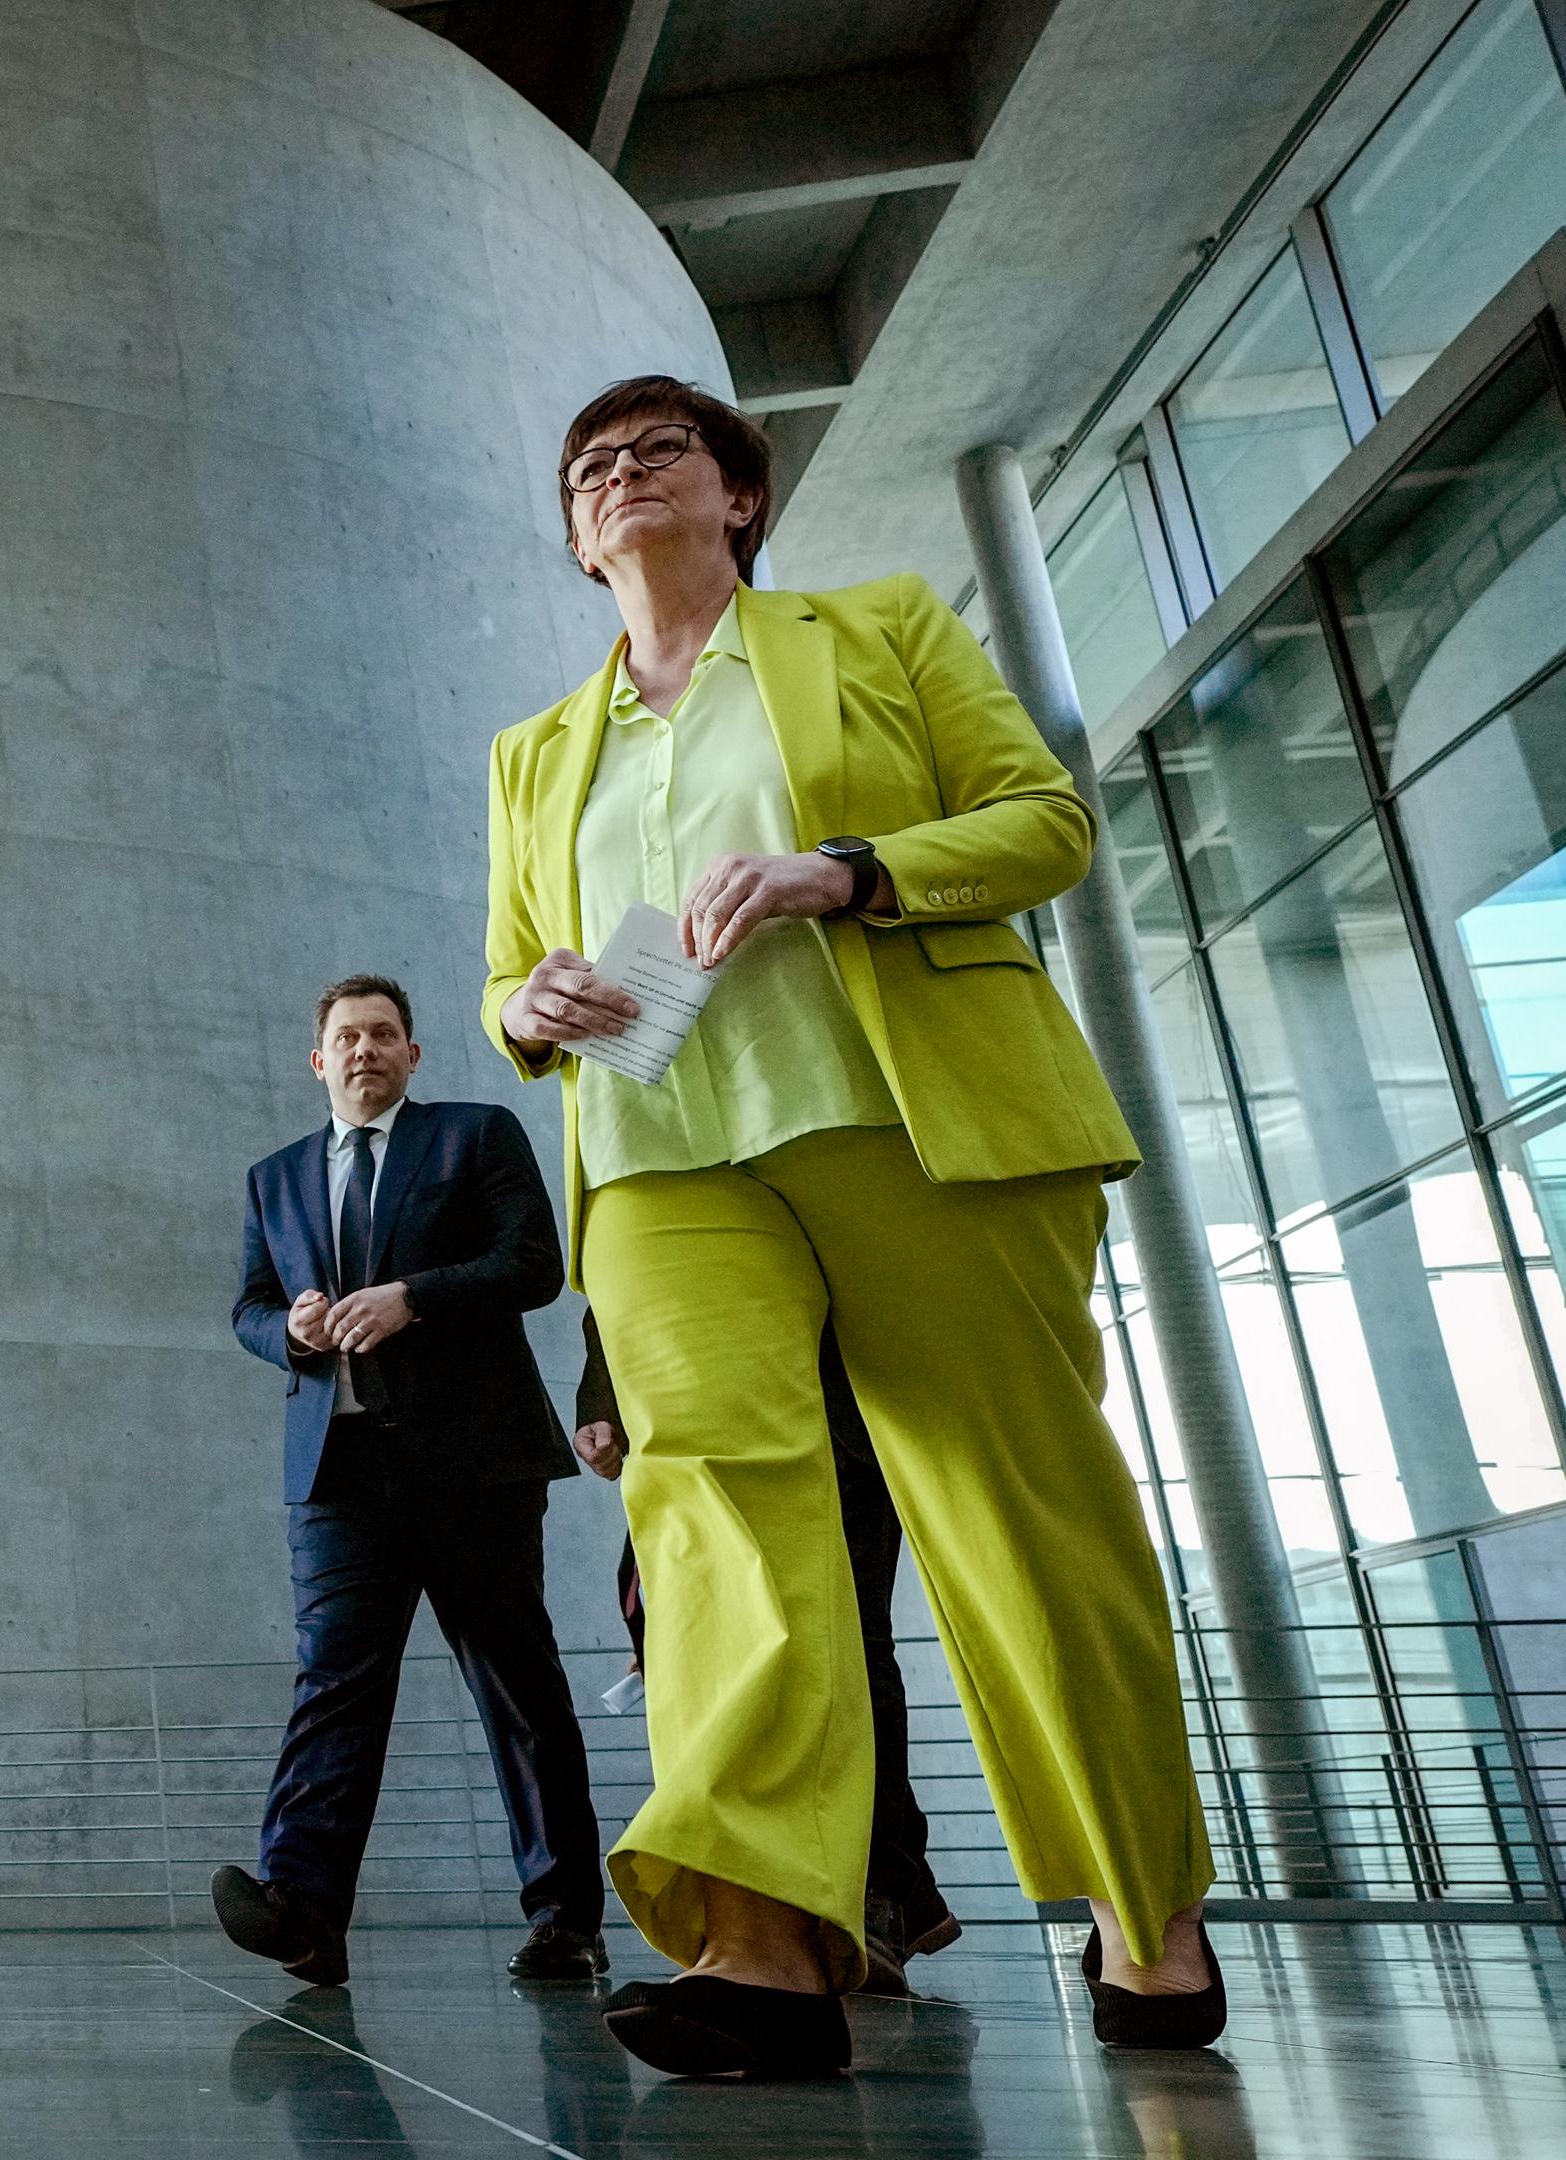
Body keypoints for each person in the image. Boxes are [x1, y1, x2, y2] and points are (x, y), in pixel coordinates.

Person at [484, 375, 1216, 2076]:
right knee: (716, 1519)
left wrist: (843, 870)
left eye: (655, 450)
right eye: (587, 467)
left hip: (911, 1118)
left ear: (739, 496)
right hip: (664, 1159)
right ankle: (766, 1949)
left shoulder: (873, 631)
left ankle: (1143, 1911)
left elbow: (1046, 824)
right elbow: (507, 973)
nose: (617, 477)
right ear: (576, 540)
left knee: (1012, 1499)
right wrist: (534, 998)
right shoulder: (535, 753)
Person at [217, 976, 609, 1988]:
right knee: (333, 1682)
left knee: (516, 1685)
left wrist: (411, 1300)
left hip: (472, 1464)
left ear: (413, 1054)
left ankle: (566, 1916)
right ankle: (303, 1909)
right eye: (345, 1037)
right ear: (319, 1061)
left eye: (384, 1034)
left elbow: (531, 1265)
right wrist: (290, 1331)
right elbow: (250, 1306)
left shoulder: (475, 1138)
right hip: (337, 1469)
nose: (365, 1050)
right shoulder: (275, 1179)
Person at [572, 1314, 957, 1995]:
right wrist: (602, 1407)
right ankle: (891, 1889)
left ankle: (883, 1895)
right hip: (698, 1433)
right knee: (738, 1652)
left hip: (827, 1425)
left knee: (856, 1649)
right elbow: (613, 1286)